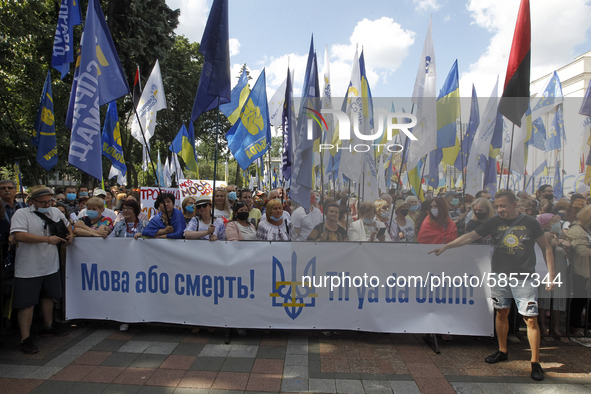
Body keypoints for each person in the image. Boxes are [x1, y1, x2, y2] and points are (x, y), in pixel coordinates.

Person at [430, 190, 556, 381]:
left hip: (524, 277)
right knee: (501, 311)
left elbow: (546, 247)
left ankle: (535, 362)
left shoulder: (531, 223)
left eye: (503, 206)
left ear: (514, 205)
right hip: (499, 275)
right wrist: (447, 246)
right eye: (497, 206)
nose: (500, 210)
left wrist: (551, 275)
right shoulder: (494, 222)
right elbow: (470, 237)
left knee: (530, 318)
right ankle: (502, 350)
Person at [10, 185, 74, 354]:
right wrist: (46, 239)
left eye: (49, 201)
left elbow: (67, 225)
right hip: (29, 267)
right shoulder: (22, 214)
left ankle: (48, 325)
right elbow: (19, 235)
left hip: (50, 264)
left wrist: (70, 236)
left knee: (49, 296)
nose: (47, 205)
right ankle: (25, 337)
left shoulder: (55, 212)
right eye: (43, 202)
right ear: (32, 201)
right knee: (27, 303)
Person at [535, 213, 569, 341]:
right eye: (554, 221)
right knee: (545, 300)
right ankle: (543, 327)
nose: (556, 223)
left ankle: (555, 328)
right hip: (547, 271)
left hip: (561, 271)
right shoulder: (543, 235)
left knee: (558, 300)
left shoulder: (560, 235)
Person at [565, 206, 591, 337]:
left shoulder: (588, 230)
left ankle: (587, 325)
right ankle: (574, 325)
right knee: (579, 299)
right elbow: (583, 252)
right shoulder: (577, 231)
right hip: (580, 270)